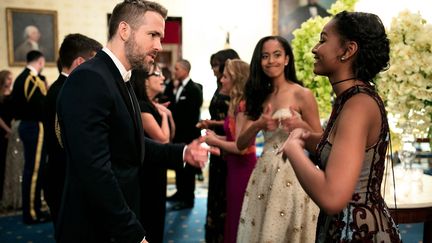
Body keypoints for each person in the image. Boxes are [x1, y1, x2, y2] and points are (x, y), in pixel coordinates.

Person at [55, 1, 215, 242]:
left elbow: (129, 143)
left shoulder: (121, 77)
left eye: (160, 37)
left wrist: (181, 152)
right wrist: (132, 232)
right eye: (153, 35)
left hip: (117, 217)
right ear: (124, 30)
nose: (159, 46)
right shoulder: (90, 77)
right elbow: (94, 172)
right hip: (95, 228)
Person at [281, 11, 402, 242]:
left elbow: (332, 197)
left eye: (323, 40)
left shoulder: (358, 105)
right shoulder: (350, 98)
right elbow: (340, 152)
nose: (315, 49)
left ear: (348, 51)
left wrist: (293, 150)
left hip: (357, 231)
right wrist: (305, 134)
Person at [236, 35, 322, 242]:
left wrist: (301, 126)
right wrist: (258, 124)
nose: (271, 61)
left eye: (277, 55)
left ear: (287, 59)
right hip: (263, 175)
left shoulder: (302, 94)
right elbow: (240, 144)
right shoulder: (257, 95)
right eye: (265, 56)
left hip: (294, 174)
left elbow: (321, 142)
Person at [42, 33, 102, 231]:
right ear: (79, 62)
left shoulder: (61, 88)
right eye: (95, 63)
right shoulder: (68, 91)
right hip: (66, 180)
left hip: (61, 175)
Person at [204, 59, 256, 243]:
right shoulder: (237, 104)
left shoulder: (243, 106)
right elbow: (235, 139)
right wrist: (216, 138)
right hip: (234, 167)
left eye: (226, 76)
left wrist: (214, 141)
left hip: (242, 167)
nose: (222, 80)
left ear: (236, 79)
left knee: (237, 218)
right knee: (233, 216)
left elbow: (240, 148)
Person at [196, 48, 240, 243]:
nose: (214, 70)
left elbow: (235, 124)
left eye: (216, 65)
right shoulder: (220, 84)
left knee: (225, 197)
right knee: (215, 191)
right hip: (217, 144)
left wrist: (212, 127)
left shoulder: (237, 90)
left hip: (228, 146)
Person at [130, 63, 175, 243]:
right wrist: (164, 116)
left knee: (158, 214)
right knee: (151, 216)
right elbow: (163, 140)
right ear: (145, 81)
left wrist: (168, 115)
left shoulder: (151, 104)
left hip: (157, 166)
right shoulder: (142, 107)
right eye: (158, 74)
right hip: (147, 171)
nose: (163, 78)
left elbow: (170, 137)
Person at [8, 50, 49, 224]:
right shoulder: (32, 79)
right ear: (40, 62)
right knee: (33, 172)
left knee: (34, 171)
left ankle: (35, 210)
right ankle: (31, 213)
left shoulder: (20, 78)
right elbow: (40, 105)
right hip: (34, 126)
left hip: (28, 126)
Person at [167, 59, 203, 211]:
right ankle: (180, 192)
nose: (174, 72)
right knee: (178, 166)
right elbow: (168, 100)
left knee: (188, 169)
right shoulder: (176, 87)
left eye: (177, 69)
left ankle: (188, 199)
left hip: (188, 135)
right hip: (177, 135)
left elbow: (191, 116)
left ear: (185, 70)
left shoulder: (194, 89)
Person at [0, 70, 13, 201]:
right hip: (2, 131)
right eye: (8, 78)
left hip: (12, 131)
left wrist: (12, 130)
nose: (10, 81)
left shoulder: (13, 95)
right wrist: (7, 130)